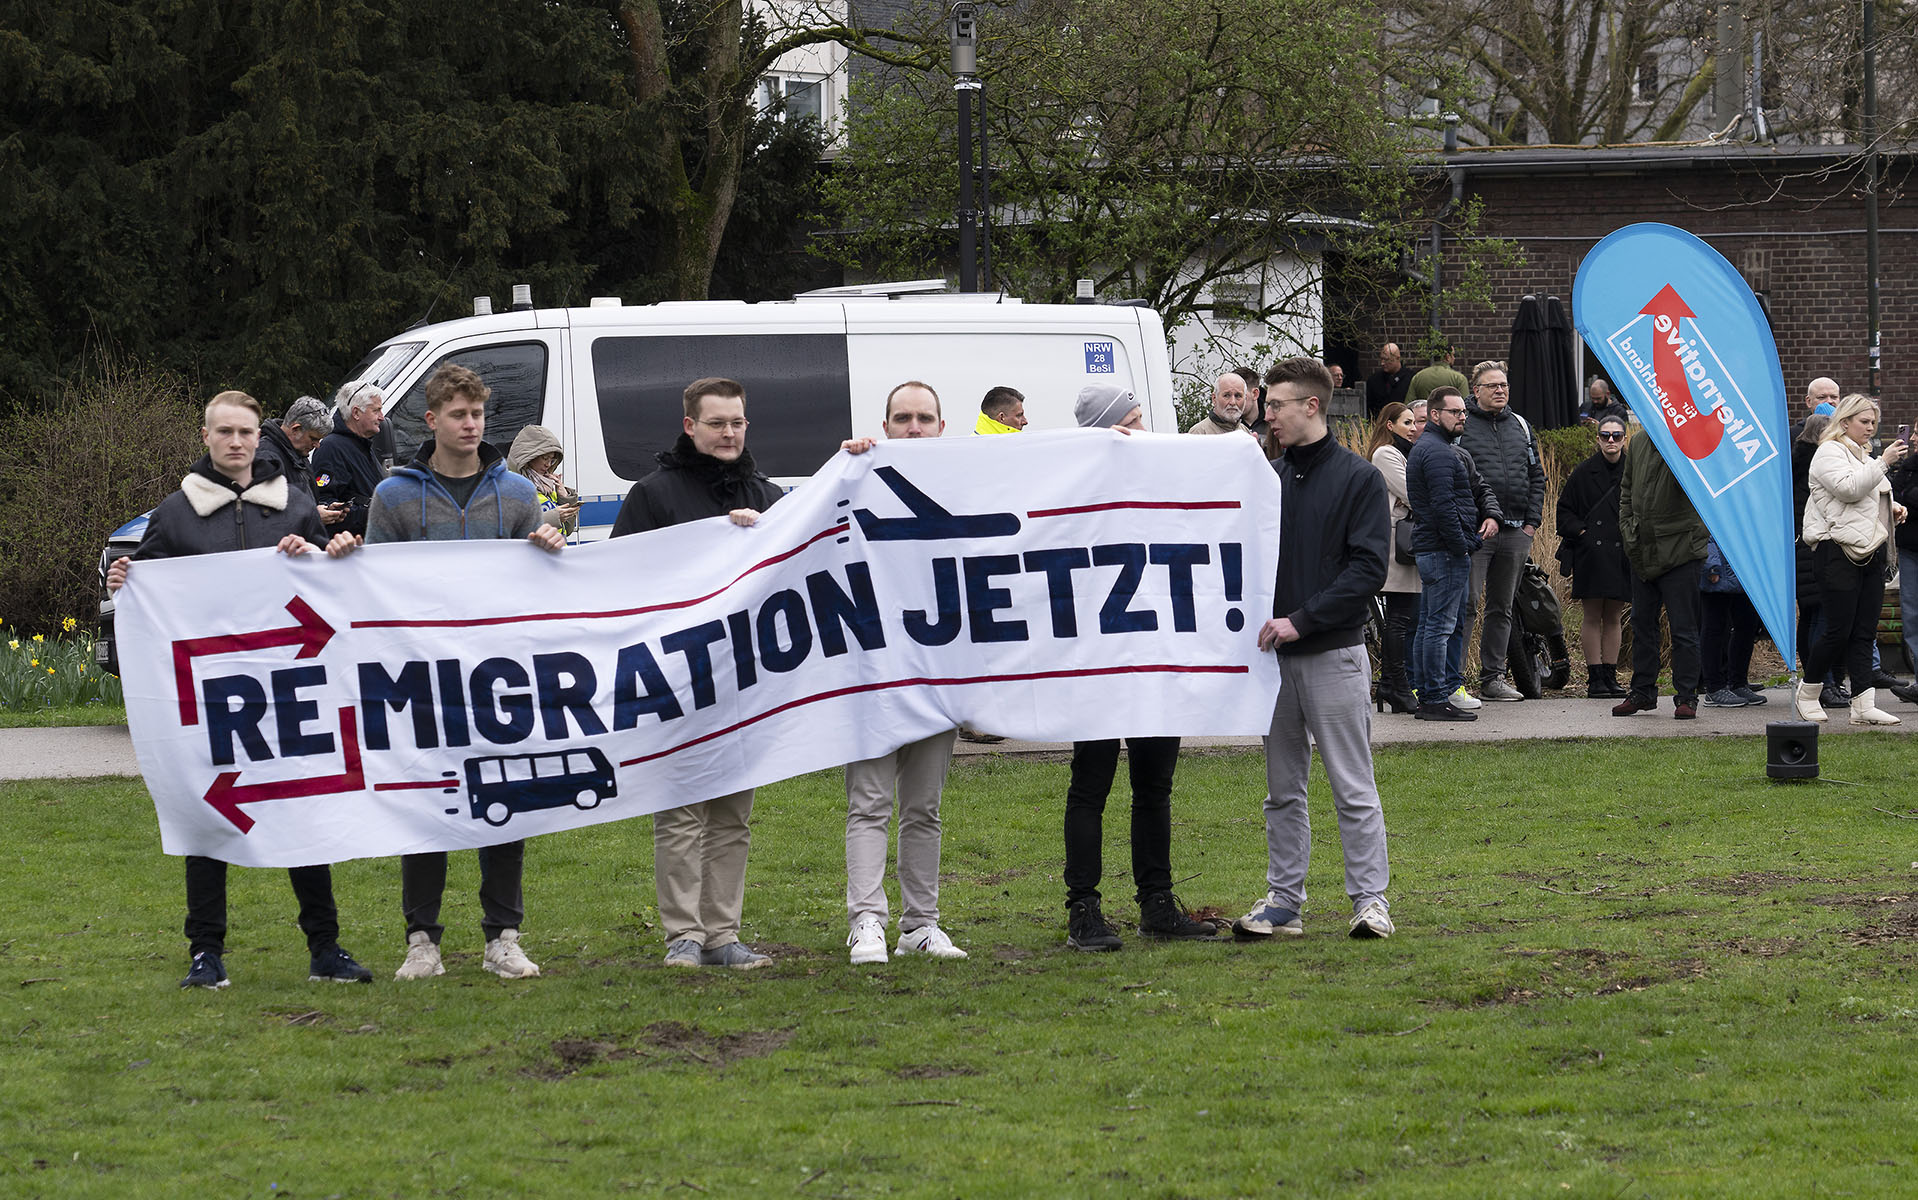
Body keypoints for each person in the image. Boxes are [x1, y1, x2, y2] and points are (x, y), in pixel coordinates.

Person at [105, 391, 371, 990]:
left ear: (259, 436)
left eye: (245, 431)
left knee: (301, 810)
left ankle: (325, 948)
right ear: (206, 437)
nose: (235, 441)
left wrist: (324, 553)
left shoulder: (294, 505)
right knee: (209, 813)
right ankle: (206, 952)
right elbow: (149, 592)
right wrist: (127, 580)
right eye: (223, 431)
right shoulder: (175, 514)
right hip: (210, 693)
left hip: (286, 688)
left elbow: (325, 587)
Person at [365, 363, 566, 981]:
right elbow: (372, 586)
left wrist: (548, 551)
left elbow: (536, 588)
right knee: (426, 802)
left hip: (498, 674)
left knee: (505, 797)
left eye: (477, 414)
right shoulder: (393, 496)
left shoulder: (518, 495)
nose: (471, 425)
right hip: (422, 678)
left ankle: (503, 936)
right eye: (458, 415)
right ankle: (421, 940)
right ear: (432, 420)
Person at [610, 377, 784, 968]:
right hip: (676, 676)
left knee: (733, 814)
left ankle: (723, 934)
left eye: (737, 422)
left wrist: (761, 539)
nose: (729, 433)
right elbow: (619, 580)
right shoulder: (652, 495)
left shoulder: (769, 497)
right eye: (717, 423)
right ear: (690, 426)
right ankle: (683, 935)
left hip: (746, 677)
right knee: (682, 811)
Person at [1233, 357, 1394, 940]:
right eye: (1266, 405)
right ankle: (1284, 901)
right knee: (1282, 791)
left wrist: (1302, 621)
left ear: (1312, 405)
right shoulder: (1266, 477)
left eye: (1276, 405)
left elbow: (1368, 569)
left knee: (1352, 785)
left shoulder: (1359, 479)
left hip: (1333, 654)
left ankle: (1370, 902)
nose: (1267, 415)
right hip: (1273, 663)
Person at [1061, 382, 1215, 951]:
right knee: (1091, 784)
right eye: (1131, 421)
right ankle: (1083, 907)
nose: (1143, 431)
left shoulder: (1161, 478)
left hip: (1154, 654)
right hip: (1098, 660)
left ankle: (1157, 901)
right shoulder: (1070, 486)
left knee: (1154, 785)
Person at [837, 383, 968, 965]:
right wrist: (846, 466)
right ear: (885, 425)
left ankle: (921, 924)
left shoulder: (968, 483)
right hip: (872, 677)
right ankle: (866, 919)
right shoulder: (857, 478)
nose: (914, 427)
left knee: (924, 808)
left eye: (924, 418)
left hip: (937, 679)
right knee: (869, 802)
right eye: (903, 417)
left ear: (942, 426)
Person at [1796, 394, 1909, 724]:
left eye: (1874, 422)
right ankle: (1808, 691)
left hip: (1870, 549)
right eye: (1864, 421)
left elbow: (1866, 496)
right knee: (1838, 629)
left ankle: (1862, 704)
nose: (1870, 427)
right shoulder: (1829, 451)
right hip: (1836, 550)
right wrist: (1883, 461)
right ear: (1844, 422)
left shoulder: (1864, 455)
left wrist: (1891, 508)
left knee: (1864, 631)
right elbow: (1848, 489)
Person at [1458, 360, 1545, 702]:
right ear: (1476, 390)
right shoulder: (1462, 425)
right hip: (1476, 532)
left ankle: (1492, 679)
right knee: (1466, 605)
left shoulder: (1520, 426)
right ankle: (1454, 681)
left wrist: (1531, 523)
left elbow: (1536, 475)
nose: (1500, 390)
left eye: (1504, 385)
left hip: (1516, 531)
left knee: (1502, 608)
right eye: (1492, 385)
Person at [1613, 427, 1708, 719]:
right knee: (1642, 624)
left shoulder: (1688, 438)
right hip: (1643, 548)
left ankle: (1687, 696)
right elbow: (1626, 489)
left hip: (1681, 549)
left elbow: (1701, 488)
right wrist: (1628, 528)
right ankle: (1642, 692)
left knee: (1683, 628)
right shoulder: (1639, 440)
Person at [1405, 386, 1486, 720]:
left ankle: (1428, 696)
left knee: (1429, 625)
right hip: (1442, 551)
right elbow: (1443, 506)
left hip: (1434, 549)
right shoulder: (1438, 452)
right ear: (1435, 415)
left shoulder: (1428, 447)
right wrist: (1462, 545)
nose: (1462, 417)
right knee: (1438, 628)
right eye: (1455, 412)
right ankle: (1436, 698)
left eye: (1463, 411)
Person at [1556, 415, 1633, 698]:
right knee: (1591, 614)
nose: (1611, 440)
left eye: (1616, 435)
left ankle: (1610, 676)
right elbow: (1563, 511)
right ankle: (1595, 678)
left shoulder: (1633, 470)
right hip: (1591, 553)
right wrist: (1583, 533)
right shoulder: (1583, 472)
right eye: (1605, 435)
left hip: (1621, 552)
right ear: (1597, 438)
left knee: (1613, 615)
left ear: (1625, 438)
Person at [1365, 402, 1421, 713]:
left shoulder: (1402, 453)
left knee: (1403, 616)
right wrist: (1410, 500)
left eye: (1414, 422)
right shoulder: (1386, 454)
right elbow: (1414, 493)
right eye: (1406, 422)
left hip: (1403, 540)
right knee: (1399, 618)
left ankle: (1391, 684)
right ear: (1390, 425)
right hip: (1396, 545)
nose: (1413, 428)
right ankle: (1396, 686)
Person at [311, 380, 387, 536]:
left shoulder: (362, 445)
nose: (382, 417)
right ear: (356, 413)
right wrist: (372, 514)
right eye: (376, 411)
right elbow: (324, 504)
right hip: (350, 545)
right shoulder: (331, 448)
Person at [1698, 538, 1766, 707]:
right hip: (1718, 571)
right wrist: (1711, 566)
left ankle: (1738, 683)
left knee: (1748, 625)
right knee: (1715, 628)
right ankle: (1714, 688)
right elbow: (1705, 534)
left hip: (1744, 569)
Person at [254, 396, 338, 516]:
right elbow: (264, 516)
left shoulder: (297, 453)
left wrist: (324, 508)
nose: (317, 445)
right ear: (296, 429)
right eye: (313, 438)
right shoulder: (266, 458)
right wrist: (313, 516)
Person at [506, 424, 581, 538]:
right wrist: (553, 518)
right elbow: (512, 531)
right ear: (529, 458)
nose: (548, 464)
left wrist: (565, 497)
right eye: (545, 458)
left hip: (557, 548)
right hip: (534, 549)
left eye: (552, 460)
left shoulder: (548, 485)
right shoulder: (511, 486)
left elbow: (567, 530)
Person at [1186, 372, 1252, 435]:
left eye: (1238, 396)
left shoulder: (1245, 432)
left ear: (1245, 399)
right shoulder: (1199, 433)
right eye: (1226, 395)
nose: (1232, 402)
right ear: (1214, 398)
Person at [1365, 342, 1414, 418]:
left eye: (1386, 360)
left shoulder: (1410, 378)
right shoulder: (1374, 380)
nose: (1382, 363)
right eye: (1381, 359)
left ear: (1397, 358)